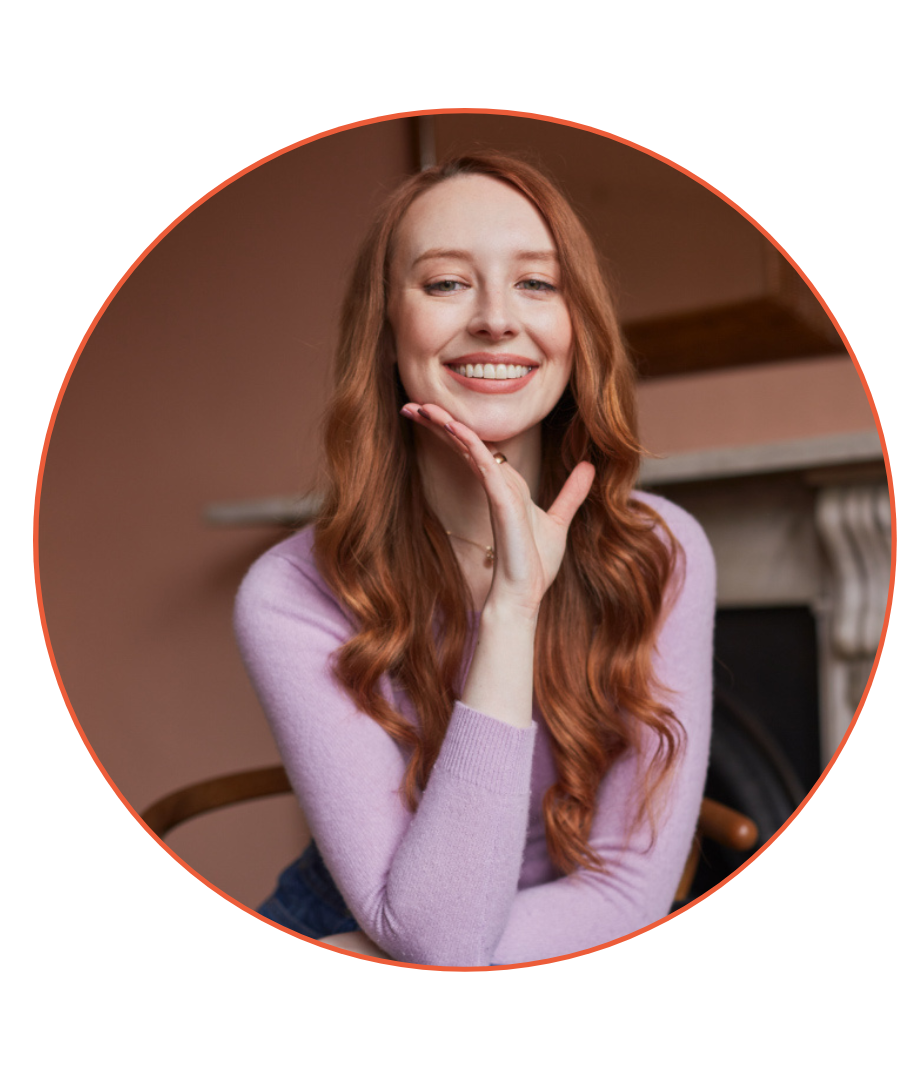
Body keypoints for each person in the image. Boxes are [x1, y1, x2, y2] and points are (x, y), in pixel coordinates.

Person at [234, 151, 716, 966]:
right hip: (366, 925)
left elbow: (629, 893)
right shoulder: (289, 592)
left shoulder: (660, 552)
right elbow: (433, 934)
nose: (497, 318)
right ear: (388, 330)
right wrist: (513, 611)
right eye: (447, 282)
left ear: (577, 328)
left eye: (537, 282)